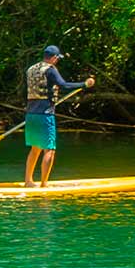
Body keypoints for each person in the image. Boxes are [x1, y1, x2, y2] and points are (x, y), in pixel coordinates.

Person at [25, 45, 95, 186]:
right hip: (45, 114)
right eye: (57, 58)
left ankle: (28, 181)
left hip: (31, 114)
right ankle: (44, 184)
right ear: (54, 57)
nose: (57, 61)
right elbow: (63, 85)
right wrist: (85, 84)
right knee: (49, 149)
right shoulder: (50, 70)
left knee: (35, 148)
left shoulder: (31, 69)